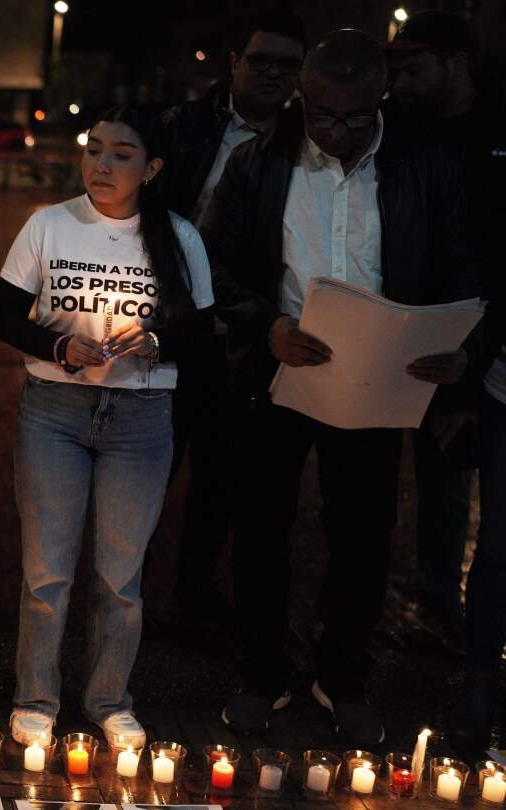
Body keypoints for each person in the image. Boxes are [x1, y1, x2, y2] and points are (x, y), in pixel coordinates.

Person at [201, 29, 480, 745]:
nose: (338, 132)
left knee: (363, 534)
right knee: (261, 525)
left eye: (357, 117)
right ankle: (262, 671)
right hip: (279, 372)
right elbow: (212, 260)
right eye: (323, 115)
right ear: (302, 97)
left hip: (379, 379)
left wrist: (457, 348)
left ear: (380, 100)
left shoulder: (422, 162)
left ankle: (344, 675)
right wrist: (265, 326)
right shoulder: (260, 160)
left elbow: (457, 261)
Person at [0, 106, 214, 749]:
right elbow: (4, 317)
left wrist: (155, 342)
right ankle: (35, 698)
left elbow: (203, 338)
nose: (102, 165)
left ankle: (110, 699)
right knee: (47, 572)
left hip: (140, 419)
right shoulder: (49, 224)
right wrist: (60, 347)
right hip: (54, 411)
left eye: (121, 154)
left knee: (120, 576)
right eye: (94, 150)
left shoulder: (178, 238)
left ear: (153, 168)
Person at [157, 11, 304, 621]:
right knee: (149, 465)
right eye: (261, 60)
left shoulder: (303, 142)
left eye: (287, 65)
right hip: (171, 328)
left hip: (243, 336)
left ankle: (193, 596)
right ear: (235, 63)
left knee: (220, 474)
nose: (273, 73)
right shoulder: (185, 125)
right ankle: (124, 595)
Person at [386, 9, 506, 755]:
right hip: (409, 332)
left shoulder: (492, 132)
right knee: (412, 477)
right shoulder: (406, 132)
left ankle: (448, 612)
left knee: (464, 489)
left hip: (481, 346)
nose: (401, 84)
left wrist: (473, 364)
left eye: (413, 70)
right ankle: (428, 603)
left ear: (457, 63)